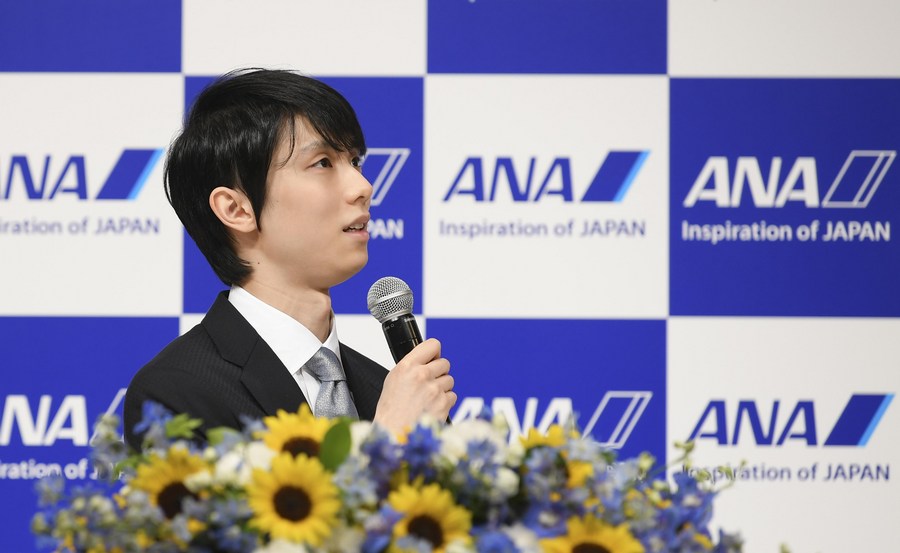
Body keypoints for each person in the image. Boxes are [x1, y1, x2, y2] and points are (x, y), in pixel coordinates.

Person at [123, 68, 456, 451]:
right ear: (236, 208)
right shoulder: (175, 392)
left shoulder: (383, 387)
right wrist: (388, 443)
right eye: (323, 163)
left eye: (354, 161)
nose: (363, 187)